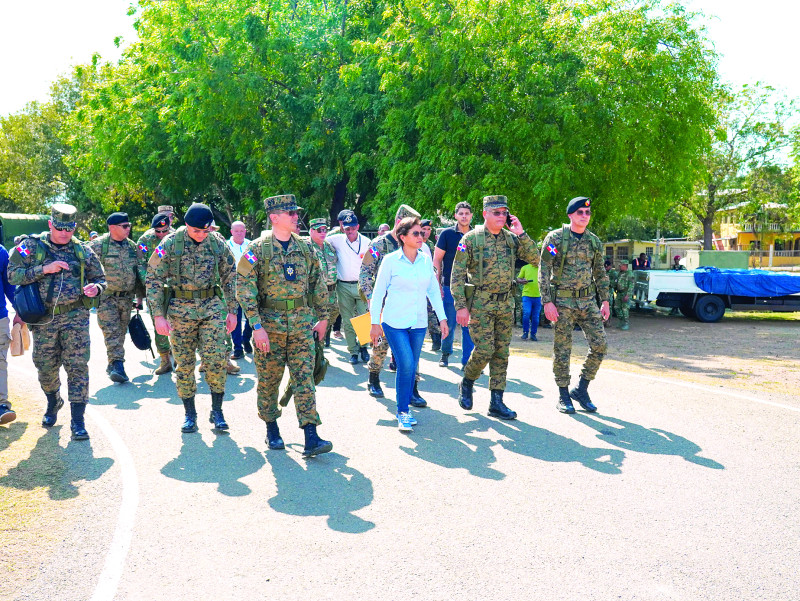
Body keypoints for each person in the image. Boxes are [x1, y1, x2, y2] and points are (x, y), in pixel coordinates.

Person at [236, 194, 332, 457]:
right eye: (290, 214)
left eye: (296, 213)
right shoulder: (257, 249)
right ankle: (271, 427)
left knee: (305, 379)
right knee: (269, 380)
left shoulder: (305, 248)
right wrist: (256, 326)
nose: (295, 217)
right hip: (270, 327)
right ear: (274, 217)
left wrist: (323, 317)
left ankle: (310, 434)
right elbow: (243, 289)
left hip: (301, 326)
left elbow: (318, 283)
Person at [8, 203, 106, 440]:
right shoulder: (30, 247)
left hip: (76, 318)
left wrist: (97, 288)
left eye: (69, 229)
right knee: (45, 367)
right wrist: (44, 269)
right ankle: (54, 401)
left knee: (78, 367)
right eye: (60, 228)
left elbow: (101, 278)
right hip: (43, 320)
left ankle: (78, 421)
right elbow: (12, 275)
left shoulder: (82, 250)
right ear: (51, 224)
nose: (64, 233)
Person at [146, 202, 237, 433]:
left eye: (205, 231)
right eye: (196, 231)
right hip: (179, 311)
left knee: (216, 359)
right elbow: (153, 278)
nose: (200, 235)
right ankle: (190, 414)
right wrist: (158, 316)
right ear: (186, 225)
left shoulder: (217, 243)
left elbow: (230, 276)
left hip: (212, 308)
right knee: (184, 364)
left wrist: (233, 311)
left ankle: (217, 411)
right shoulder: (170, 244)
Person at [451, 195, 539, 420]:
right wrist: (461, 306)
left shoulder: (511, 239)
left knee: (501, 352)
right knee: (484, 350)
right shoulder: (471, 239)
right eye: (496, 212)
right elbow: (457, 275)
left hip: (505, 302)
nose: (501, 217)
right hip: (480, 302)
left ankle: (496, 401)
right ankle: (467, 381)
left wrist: (521, 233)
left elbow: (536, 258)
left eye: (504, 213)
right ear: (485, 214)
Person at [369, 217, 447, 431]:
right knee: (406, 364)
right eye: (415, 233)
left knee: (411, 366)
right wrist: (374, 323)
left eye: (421, 233)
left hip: (418, 323)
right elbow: (378, 293)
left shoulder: (425, 260)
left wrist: (442, 318)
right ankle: (402, 411)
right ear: (402, 237)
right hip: (394, 323)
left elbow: (432, 290)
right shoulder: (390, 260)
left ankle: (404, 408)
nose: (420, 236)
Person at [539, 196, 609, 414]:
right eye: (580, 212)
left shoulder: (594, 241)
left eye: (587, 213)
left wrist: (605, 299)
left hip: (587, 301)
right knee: (563, 349)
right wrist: (547, 301)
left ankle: (581, 388)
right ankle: (563, 395)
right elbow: (544, 269)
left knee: (600, 345)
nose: (585, 216)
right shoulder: (556, 238)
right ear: (570, 215)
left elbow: (599, 272)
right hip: (562, 302)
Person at [359, 204, 421, 400]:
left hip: (409, 305)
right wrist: (370, 299)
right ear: (398, 223)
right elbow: (365, 273)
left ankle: (412, 389)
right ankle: (374, 378)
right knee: (380, 346)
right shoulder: (379, 245)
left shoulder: (414, 244)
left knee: (412, 348)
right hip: (384, 306)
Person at [88, 212, 147, 383]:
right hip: (106, 298)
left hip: (126, 298)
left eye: (129, 225)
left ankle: (113, 363)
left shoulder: (132, 246)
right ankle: (118, 365)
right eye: (125, 226)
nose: (129, 229)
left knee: (120, 332)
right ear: (112, 228)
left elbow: (137, 273)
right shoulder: (98, 246)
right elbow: (86, 269)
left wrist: (140, 298)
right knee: (111, 331)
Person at [433, 201, 475, 369]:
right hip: (450, 286)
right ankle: (445, 353)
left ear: (471, 215)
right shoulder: (447, 234)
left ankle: (467, 361)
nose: (464, 216)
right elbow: (437, 259)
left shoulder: (477, 234)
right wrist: (436, 283)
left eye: (467, 213)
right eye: (461, 213)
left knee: (469, 325)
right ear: (456, 216)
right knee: (449, 323)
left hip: (472, 288)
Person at [326, 212, 371, 364]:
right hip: (343, 285)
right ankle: (353, 351)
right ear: (342, 228)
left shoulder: (366, 242)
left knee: (363, 318)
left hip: (361, 285)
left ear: (358, 227)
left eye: (352, 228)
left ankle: (364, 346)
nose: (350, 231)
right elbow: (319, 240)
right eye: (346, 229)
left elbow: (374, 262)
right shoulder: (336, 240)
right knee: (348, 320)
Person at [138, 212, 176, 374]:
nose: (161, 234)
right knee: (158, 324)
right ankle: (165, 359)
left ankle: (180, 357)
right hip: (156, 289)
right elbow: (140, 264)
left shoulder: (178, 238)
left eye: (164, 231)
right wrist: (149, 282)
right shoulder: (145, 241)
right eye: (157, 232)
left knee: (179, 324)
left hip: (176, 289)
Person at [306, 218, 339, 347]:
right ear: (311, 231)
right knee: (316, 320)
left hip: (331, 291)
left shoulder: (328, 246)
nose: (323, 232)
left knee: (333, 313)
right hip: (316, 292)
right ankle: (315, 352)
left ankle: (325, 336)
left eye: (325, 229)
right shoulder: (307, 247)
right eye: (319, 230)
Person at [0, 244, 21, 425]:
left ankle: (1, 406)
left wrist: (20, 311)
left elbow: (10, 285)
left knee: (0, 361)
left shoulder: (0, 252)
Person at [227, 221, 253, 359]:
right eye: (236, 231)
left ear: (245, 231)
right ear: (231, 231)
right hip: (232, 287)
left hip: (249, 286)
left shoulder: (251, 245)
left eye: (241, 231)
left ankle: (246, 338)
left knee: (251, 317)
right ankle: (237, 347)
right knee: (235, 318)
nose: (239, 233)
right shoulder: (226, 246)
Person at [419, 218, 441, 351]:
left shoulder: (431, 245)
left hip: (429, 280)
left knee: (431, 311)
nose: (426, 232)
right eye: (424, 229)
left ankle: (436, 338)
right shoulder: (413, 243)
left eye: (428, 230)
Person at [516, 261, 542, 341]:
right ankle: (525, 332)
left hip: (539, 296)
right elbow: (518, 279)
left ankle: (533, 334)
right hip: (527, 295)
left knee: (536, 316)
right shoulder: (525, 267)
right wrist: (521, 281)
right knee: (526, 313)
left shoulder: (542, 268)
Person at [615, 260, 634, 330]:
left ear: (625, 266)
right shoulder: (619, 273)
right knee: (616, 308)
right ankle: (621, 321)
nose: (619, 266)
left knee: (625, 309)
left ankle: (626, 323)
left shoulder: (630, 274)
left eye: (621, 265)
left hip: (625, 294)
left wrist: (627, 295)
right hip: (619, 293)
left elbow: (631, 286)